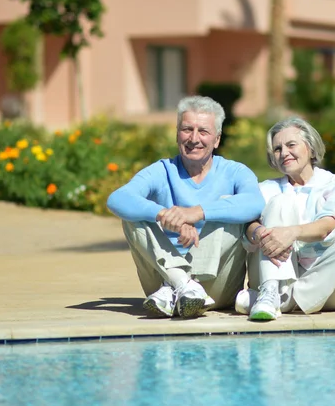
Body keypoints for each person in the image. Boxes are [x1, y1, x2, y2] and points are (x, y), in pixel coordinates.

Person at [107, 96, 265, 319]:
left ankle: (185, 288)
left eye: (203, 131)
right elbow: (118, 198)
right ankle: (180, 283)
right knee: (133, 215)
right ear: (177, 135)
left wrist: (197, 213)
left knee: (232, 211)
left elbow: (254, 203)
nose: (194, 138)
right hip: (162, 282)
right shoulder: (162, 170)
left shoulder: (235, 172)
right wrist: (163, 215)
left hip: (215, 287)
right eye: (187, 129)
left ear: (217, 139)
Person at [235, 117, 335, 321]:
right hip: (274, 279)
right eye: (277, 149)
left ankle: (282, 301)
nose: (284, 153)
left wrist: (291, 233)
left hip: (329, 287)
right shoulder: (266, 189)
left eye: (291, 145)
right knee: (281, 201)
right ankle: (272, 291)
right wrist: (258, 232)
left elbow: (326, 226)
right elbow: (247, 224)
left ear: (310, 148)